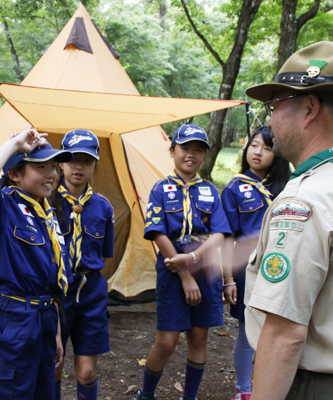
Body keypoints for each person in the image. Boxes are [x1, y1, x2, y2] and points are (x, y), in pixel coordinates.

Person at [243, 41, 333, 399]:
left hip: (314, 388)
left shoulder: (303, 201)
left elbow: (284, 335)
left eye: (275, 106)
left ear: (309, 107)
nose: (270, 120)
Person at [0, 128, 73, 400]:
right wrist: (15, 144)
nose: (51, 174)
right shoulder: (4, 207)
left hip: (45, 319)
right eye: (41, 167)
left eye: (53, 166)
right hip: (12, 321)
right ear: (15, 173)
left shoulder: (47, 214)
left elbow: (52, 281)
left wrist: (57, 332)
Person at [134, 124, 231, 400]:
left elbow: (220, 233)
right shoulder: (160, 189)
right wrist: (184, 273)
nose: (192, 154)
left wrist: (193, 258)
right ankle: (146, 393)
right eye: (185, 148)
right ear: (172, 150)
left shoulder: (211, 191)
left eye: (198, 150)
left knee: (199, 339)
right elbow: (156, 232)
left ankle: (190, 397)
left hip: (205, 272)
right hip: (173, 273)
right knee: (166, 340)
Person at [220, 126, 291, 400]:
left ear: (278, 154)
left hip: (282, 267)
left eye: (268, 147)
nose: (258, 152)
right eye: (254, 145)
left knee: (280, 329)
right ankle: (244, 391)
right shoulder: (234, 189)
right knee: (247, 332)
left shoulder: (288, 188)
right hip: (246, 270)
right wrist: (227, 280)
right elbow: (227, 239)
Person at [50, 129, 115, 400]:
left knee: (87, 372)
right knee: (54, 364)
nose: (79, 166)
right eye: (72, 159)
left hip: (91, 293)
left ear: (95, 165)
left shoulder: (104, 207)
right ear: (60, 163)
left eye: (86, 161)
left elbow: (106, 254)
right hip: (56, 293)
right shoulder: (46, 203)